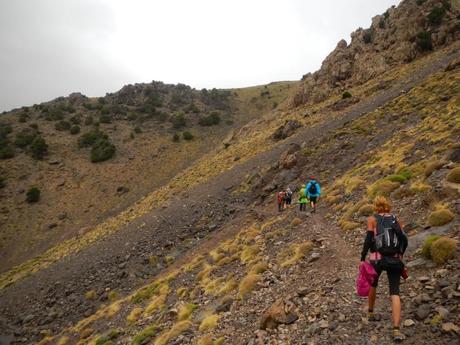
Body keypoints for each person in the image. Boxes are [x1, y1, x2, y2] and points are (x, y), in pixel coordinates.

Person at [360, 196, 408, 342]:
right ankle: (396, 329)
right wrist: (400, 256)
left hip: (377, 259)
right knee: (395, 292)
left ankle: (370, 312)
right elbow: (403, 240)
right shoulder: (396, 219)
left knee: (373, 284)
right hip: (394, 259)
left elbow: (368, 240)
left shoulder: (372, 219)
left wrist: (362, 258)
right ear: (388, 205)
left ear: (375, 206)